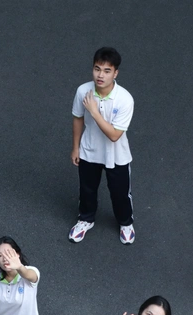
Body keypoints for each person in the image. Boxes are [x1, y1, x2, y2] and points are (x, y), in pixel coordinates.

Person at [69, 47, 135, 245]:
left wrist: (94, 111)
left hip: (117, 155)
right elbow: (77, 118)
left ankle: (126, 223)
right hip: (89, 151)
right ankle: (85, 219)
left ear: (115, 73)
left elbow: (114, 135)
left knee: (120, 193)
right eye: (97, 69)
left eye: (107, 71)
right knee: (87, 190)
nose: (100, 75)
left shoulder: (125, 99)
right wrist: (75, 147)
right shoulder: (83, 91)